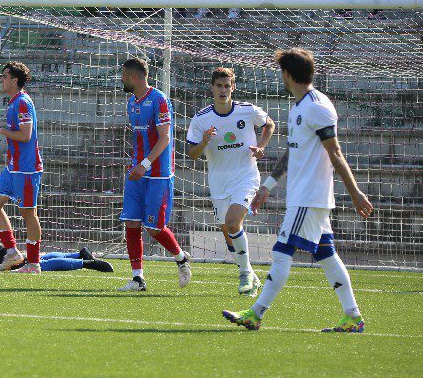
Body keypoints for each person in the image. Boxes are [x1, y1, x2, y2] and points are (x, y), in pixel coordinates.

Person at [224, 48, 374, 333]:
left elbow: (336, 154)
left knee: (281, 252)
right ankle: (353, 316)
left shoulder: (317, 107)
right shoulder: (297, 107)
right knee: (327, 255)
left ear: (288, 75)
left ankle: (255, 314)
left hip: (309, 196)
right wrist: (267, 186)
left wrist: (355, 193)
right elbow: (293, 153)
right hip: (304, 196)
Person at [186, 67, 275, 296]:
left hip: (245, 176)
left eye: (227, 86)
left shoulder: (247, 111)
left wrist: (261, 147)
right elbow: (191, 154)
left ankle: (244, 275)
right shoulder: (201, 118)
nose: (223, 90)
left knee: (234, 223)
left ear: (233, 87)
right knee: (228, 232)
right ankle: (250, 274)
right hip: (218, 182)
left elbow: (269, 124)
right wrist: (204, 142)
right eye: (219, 86)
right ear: (212, 88)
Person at [117, 57, 192, 291]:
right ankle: (138, 278)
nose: (121, 79)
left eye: (123, 75)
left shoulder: (159, 100)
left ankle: (181, 258)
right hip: (137, 171)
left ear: (134, 77)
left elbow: (165, 138)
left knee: (154, 227)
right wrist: (136, 165)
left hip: (157, 173)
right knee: (131, 222)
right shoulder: (131, 102)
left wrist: (146, 164)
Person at [0, 61, 43, 274]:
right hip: (14, 167)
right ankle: (12, 252)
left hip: (27, 169)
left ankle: (34, 263)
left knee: (28, 213)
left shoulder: (22, 103)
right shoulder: (13, 102)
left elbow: (26, 136)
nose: (1, 80)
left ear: (14, 80)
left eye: (4, 76)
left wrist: (1, 131)